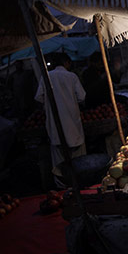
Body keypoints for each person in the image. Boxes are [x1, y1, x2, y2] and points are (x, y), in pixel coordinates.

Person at [34, 53, 86, 187]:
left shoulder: (46, 77)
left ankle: (63, 189)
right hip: (73, 126)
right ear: (67, 63)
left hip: (55, 127)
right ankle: (80, 186)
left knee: (59, 165)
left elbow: (39, 97)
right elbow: (81, 97)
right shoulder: (71, 76)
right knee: (79, 161)